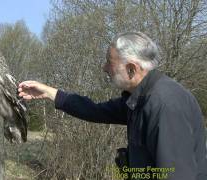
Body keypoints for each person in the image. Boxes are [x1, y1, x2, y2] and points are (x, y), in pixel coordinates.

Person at [17, 32, 207, 180]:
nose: (105, 68)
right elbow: (95, 110)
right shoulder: (140, 99)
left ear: (131, 69)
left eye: (110, 62)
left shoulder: (164, 105)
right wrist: (50, 93)